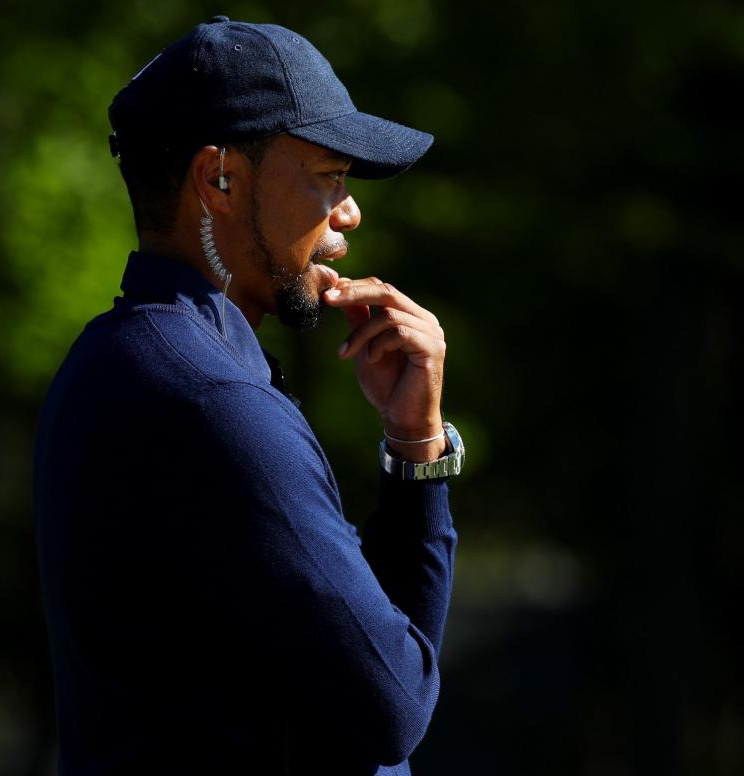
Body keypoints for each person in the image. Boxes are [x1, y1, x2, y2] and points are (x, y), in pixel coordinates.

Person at [33, 16, 465, 775]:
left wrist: (414, 445)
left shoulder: (129, 359)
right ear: (219, 179)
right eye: (329, 174)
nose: (349, 212)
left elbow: (368, 659)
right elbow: (392, 706)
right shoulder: (210, 399)